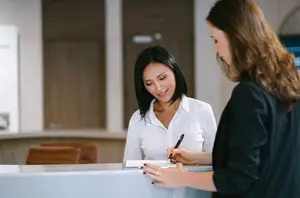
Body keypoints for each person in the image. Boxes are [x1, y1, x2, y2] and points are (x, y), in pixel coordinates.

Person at [142, 0, 300, 198]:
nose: (216, 50)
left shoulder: (249, 94)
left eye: (216, 40)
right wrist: (200, 159)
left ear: (236, 36)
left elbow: (239, 179)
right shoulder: (289, 84)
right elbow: (264, 156)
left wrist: (180, 178)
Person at [123, 45, 217, 162]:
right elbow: (129, 167)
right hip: (152, 181)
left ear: (174, 71)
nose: (158, 88)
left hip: (194, 180)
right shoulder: (138, 119)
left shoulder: (202, 111)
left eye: (162, 78)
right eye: (149, 83)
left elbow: (217, 162)